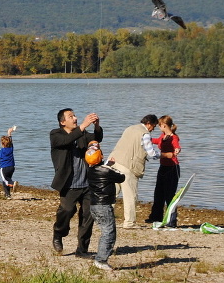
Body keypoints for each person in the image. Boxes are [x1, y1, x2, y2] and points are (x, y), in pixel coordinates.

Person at [49, 108, 103, 256]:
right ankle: (58, 233)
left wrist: (96, 126)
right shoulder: (56, 134)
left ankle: (82, 250)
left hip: (87, 183)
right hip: (69, 184)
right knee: (66, 211)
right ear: (62, 122)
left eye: (75, 116)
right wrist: (84, 125)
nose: (75, 118)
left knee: (88, 216)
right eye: (70, 116)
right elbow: (66, 140)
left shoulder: (82, 134)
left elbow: (96, 138)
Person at [107, 114, 160, 228]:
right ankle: (129, 222)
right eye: (154, 126)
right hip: (128, 167)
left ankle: (105, 219)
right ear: (149, 123)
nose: (153, 129)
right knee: (130, 195)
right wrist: (162, 155)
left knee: (111, 194)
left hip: (113, 163)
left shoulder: (130, 128)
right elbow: (151, 152)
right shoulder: (144, 133)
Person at [85, 141, 126, 272]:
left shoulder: (89, 170)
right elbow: (121, 177)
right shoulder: (106, 171)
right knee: (109, 233)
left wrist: (107, 164)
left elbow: (100, 169)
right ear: (100, 157)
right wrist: (110, 166)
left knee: (105, 231)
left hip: (94, 205)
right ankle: (101, 260)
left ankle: (100, 257)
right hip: (104, 205)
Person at [145, 115, 182, 227]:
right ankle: (156, 217)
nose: (158, 127)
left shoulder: (173, 137)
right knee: (158, 192)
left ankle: (171, 221)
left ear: (164, 125)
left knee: (169, 195)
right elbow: (156, 141)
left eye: (159, 125)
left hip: (172, 168)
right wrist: (145, 139)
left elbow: (177, 146)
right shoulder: (163, 136)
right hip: (163, 167)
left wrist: (177, 149)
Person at [0, 126, 16, 199]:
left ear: (2, 144)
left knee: (5, 181)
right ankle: (7, 195)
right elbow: (11, 141)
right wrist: (9, 133)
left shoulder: (1, 151)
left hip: (4, 168)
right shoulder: (11, 149)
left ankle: (13, 184)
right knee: (7, 179)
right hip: (12, 167)